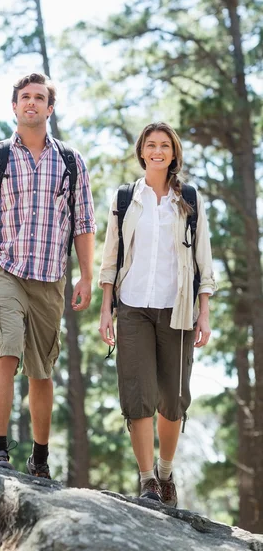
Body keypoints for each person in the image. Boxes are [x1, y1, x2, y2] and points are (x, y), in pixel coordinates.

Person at [0, 73, 96, 478]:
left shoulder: (71, 162)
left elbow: (84, 224)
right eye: (25, 98)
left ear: (50, 108)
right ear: (15, 107)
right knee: (4, 353)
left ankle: (39, 458)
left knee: (41, 372)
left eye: (40, 98)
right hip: (6, 270)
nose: (32, 103)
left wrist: (86, 276)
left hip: (51, 277)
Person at [98, 122, 216, 507]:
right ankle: (148, 479)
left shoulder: (190, 200)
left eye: (165, 145)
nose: (158, 151)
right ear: (142, 152)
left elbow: (203, 261)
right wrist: (106, 310)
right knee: (138, 394)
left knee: (173, 397)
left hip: (177, 309)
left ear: (173, 152)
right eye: (151, 145)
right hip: (132, 307)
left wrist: (204, 312)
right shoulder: (126, 198)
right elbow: (111, 255)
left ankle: (166, 471)